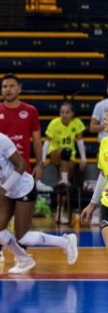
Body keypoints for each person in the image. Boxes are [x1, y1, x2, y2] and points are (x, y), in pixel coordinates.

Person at [0, 111, 78, 274]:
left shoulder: (0, 140)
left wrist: (3, 189)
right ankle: (24, 259)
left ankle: (65, 241)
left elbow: (21, 166)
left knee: (23, 236)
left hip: (23, 188)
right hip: (7, 190)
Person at [0, 73, 44, 265]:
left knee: (22, 215)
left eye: (11, 86)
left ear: (19, 88)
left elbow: (36, 139)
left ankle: (22, 252)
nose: (7, 89)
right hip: (0, 172)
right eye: (4, 86)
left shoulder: (30, 111)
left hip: (21, 172)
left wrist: (39, 164)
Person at [42, 102, 86, 224]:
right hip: (54, 154)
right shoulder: (54, 123)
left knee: (64, 187)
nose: (64, 115)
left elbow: (80, 142)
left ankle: (60, 212)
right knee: (65, 152)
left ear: (72, 113)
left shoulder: (77, 123)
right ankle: (65, 179)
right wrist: (43, 159)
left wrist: (83, 159)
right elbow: (46, 143)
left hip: (69, 158)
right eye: (62, 112)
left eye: (67, 112)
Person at [81, 110, 108, 246]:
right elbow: (104, 174)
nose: (105, 118)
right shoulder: (104, 143)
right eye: (105, 115)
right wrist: (92, 204)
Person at [88, 83, 108, 225]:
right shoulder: (101, 105)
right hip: (104, 143)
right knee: (103, 172)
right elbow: (92, 127)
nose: (105, 118)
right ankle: (96, 208)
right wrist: (93, 203)